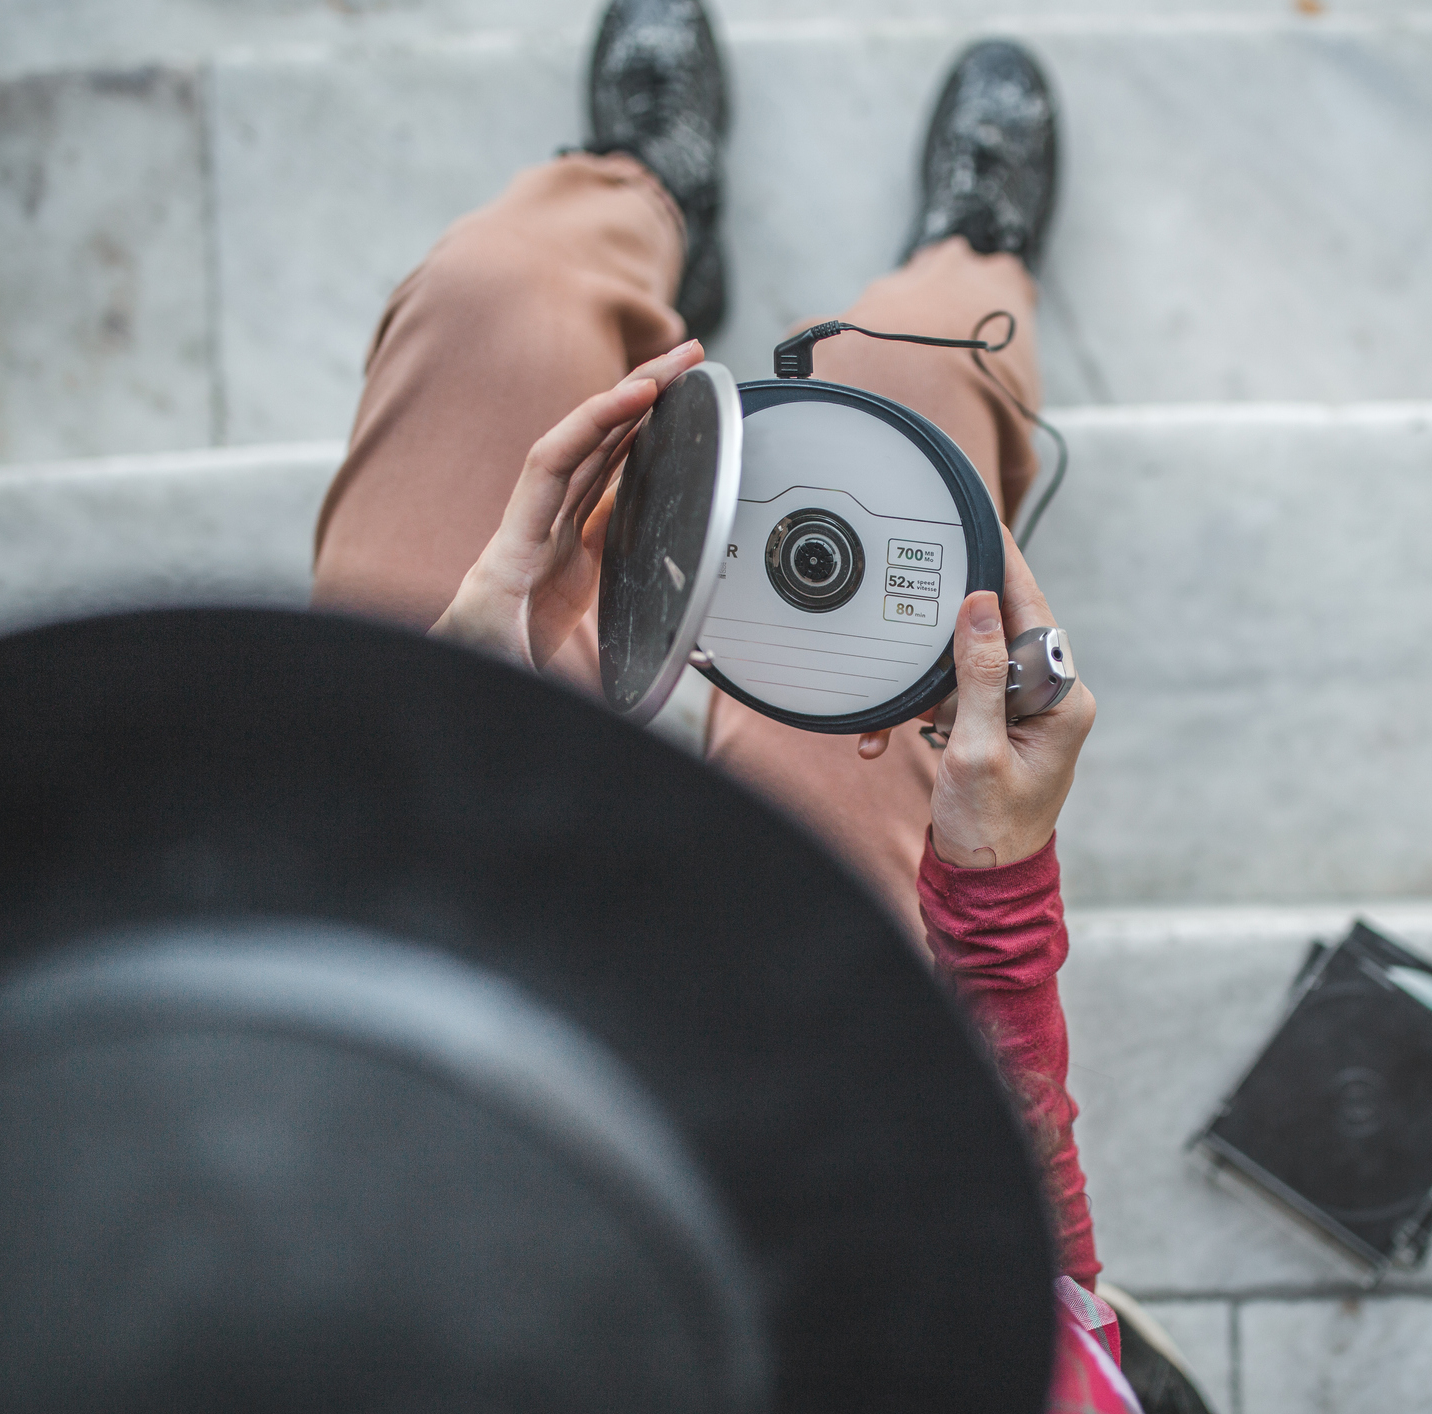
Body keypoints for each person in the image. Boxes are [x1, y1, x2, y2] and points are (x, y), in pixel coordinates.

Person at [309, 4, 1203, 1411]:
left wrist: (451, 783)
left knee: (489, 300)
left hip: (461, 1058)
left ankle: (634, 194)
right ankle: (965, 256)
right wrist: (995, 901)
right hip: (836, 1105)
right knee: (909, 369)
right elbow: (1036, 1300)